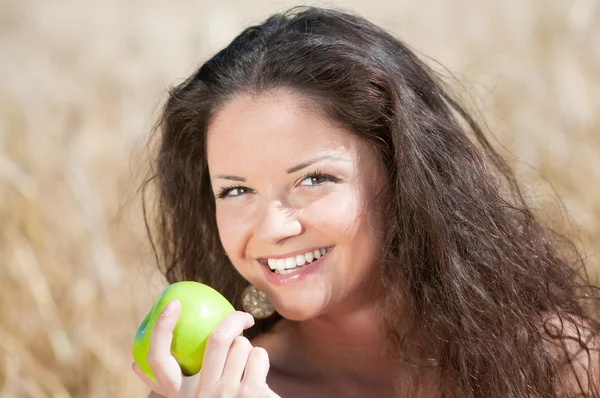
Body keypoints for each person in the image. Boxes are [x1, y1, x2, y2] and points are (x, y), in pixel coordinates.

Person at [132, 6, 600, 397]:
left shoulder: (553, 368)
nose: (272, 228)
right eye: (236, 190)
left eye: (314, 179)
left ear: (408, 176)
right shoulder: (204, 390)